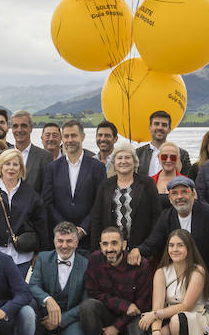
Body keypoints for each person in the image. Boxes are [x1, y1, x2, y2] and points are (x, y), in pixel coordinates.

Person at [137, 229, 209, 335]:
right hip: (172, 316)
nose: (175, 249)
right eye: (171, 245)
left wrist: (155, 315)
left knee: (177, 321)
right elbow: (157, 305)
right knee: (159, 334)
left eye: (180, 245)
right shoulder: (161, 272)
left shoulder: (198, 271)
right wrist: (156, 332)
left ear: (189, 248)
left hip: (198, 316)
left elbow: (187, 306)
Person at [80, 226, 152, 335]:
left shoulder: (140, 264)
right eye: (105, 244)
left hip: (135, 314)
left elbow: (142, 303)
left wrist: (116, 327)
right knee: (88, 306)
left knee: (139, 328)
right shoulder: (94, 260)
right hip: (111, 311)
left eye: (114, 243)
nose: (109, 248)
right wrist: (123, 305)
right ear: (100, 245)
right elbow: (93, 293)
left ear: (124, 245)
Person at [0, 147, 47, 273]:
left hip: (22, 257)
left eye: (15, 164)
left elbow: (41, 224)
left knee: (18, 291)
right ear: (1, 166)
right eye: (7, 164)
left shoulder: (31, 193)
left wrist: (39, 253)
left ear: (21, 168)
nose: (11, 168)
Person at [27, 222, 88, 335]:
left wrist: (60, 320)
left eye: (69, 241)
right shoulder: (42, 258)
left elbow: (86, 302)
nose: (64, 246)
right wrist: (48, 300)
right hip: (45, 312)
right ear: (54, 241)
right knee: (29, 302)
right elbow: (33, 285)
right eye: (60, 241)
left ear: (77, 242)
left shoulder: (86, 264)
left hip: (71, 316)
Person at [87, 144, 160, 261]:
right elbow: (97, 218)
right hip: (111, 251)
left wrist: (145, 248)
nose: (123, 161)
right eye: (119, 158)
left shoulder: (147, 183)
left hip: (140, 250)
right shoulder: (105, 185)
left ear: (134, 161)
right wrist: (96, 250)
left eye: (127, 157)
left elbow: (157, 217)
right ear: (114, 163)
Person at [143, 176, 209, 274]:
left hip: (206, 272)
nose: (179, 197)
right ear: (169, 198)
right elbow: (152, 244)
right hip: (177, 273)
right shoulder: (166, 217)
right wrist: (137, 252)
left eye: (184, 192)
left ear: (193, 194)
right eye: (174, 193)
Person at [43, 120, 105, 248]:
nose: (69, 140)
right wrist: (66, 229)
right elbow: (48, 202)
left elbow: (100, 202)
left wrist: (83, 228)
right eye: (66, 136)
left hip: (88, 238)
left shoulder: (97, 167)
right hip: (60, 238)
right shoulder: (52, 168)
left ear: (82, 137)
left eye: (74, 135)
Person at [9, 110, 50, 193]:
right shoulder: (1, 156)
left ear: (31, 128)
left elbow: (47, 192)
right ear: (12, 129)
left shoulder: (44, 157)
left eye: (23, 126)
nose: (19, 130)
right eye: (15, 126)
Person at [151, 141, 186, 209]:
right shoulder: (149, 182)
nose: (168, 160)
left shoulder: (187, 183)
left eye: (173, 157)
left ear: (178, 158)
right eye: (164, 157)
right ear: (159, 157)